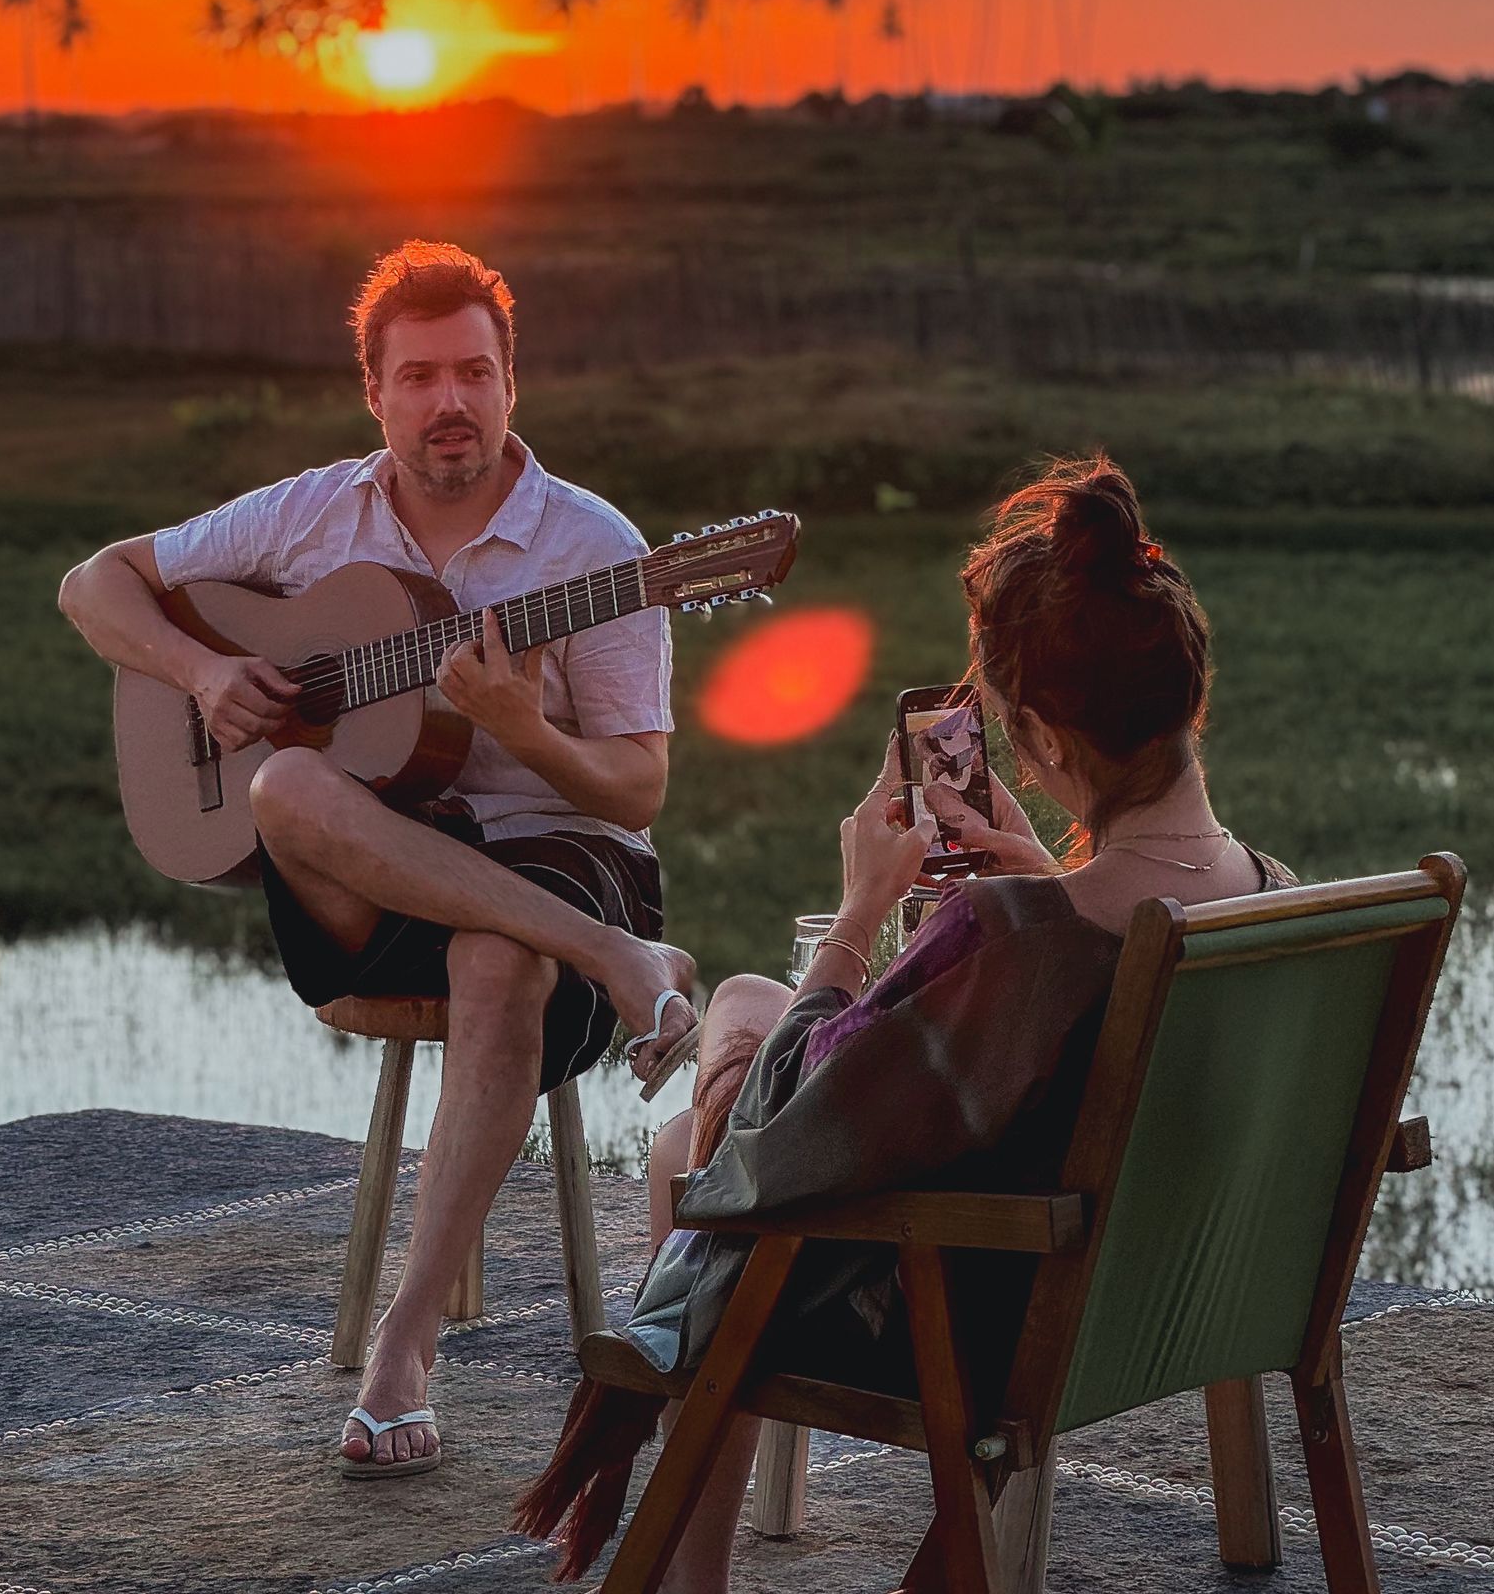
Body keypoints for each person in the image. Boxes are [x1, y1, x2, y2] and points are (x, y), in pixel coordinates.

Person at [516, 454, 1295, 1589]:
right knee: (744, 1022)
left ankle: (690, 1574)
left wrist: (861, 911)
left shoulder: (1019, 939)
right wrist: (1036, 868)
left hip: (957, 1322)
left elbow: (789, 1142)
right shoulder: (1271, 894)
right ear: (1189, 694)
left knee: (706, 1124)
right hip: (1169, 1300)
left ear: (1039, 737)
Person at [58, 239, 697, 1481]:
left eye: (472, 372)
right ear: (376, 393)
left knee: (498, 961)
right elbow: (95, 585)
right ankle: (627, 964)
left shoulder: (595, 549)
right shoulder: (310, 514)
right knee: (290, 777)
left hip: (560, 847)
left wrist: (519, 727)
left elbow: (640, 783)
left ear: (514, 382)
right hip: (376, 861)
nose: (447, 402)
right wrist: (202, 670)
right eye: (418, 377)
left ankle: (401, 1351)